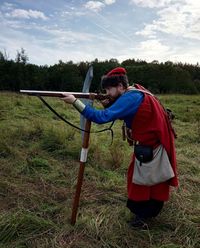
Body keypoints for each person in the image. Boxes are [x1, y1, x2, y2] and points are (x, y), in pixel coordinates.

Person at [61, 67, 178, 228]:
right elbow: (128, 113)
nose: (107, 92)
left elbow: (102, 118)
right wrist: (110, 103)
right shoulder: (135, 91)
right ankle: (145, 213)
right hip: (152, 143)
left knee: (145, 182)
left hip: (151, 147)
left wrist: (75, 102)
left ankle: (143, 216)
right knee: (145, 181)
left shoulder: (131, 97)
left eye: (109, 88)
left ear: (121, 86)